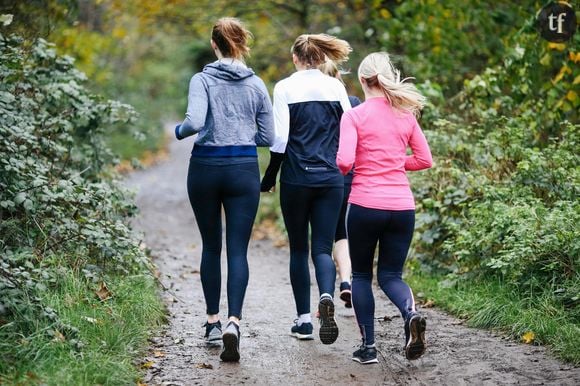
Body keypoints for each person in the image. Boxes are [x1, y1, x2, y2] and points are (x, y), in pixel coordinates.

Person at [175, 17, 274, 362]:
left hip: (205, 167)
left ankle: (212, 323)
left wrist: (178, 131)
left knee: (210, 245)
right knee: (237, 250)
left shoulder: (201, 79)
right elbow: (268, 137)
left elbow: (195, 122)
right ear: (241, 44)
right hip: (243, 170)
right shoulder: (257, 84)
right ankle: (235, 321)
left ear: (214, 45)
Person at [336, 52, 433, 364]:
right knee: (391, 274)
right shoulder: (406, 116)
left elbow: (345, 161)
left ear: (363, 81)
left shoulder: (354, 115)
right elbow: (425, 159)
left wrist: (363, 165)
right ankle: (410, 314)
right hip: (402, 207)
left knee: (362, 274)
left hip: (365, 204)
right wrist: (394, 163)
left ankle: (368, 348)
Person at [260, 33, 352, 345]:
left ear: (296, 59)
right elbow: (348, 128)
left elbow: (281, 139)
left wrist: (270, 176)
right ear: (321, 57)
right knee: (323, 247)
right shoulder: (336, 86)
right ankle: (326, 295)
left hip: (297, 179)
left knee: (299, 248)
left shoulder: (284, 87)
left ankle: (303, 321)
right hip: (330, 179)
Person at [317, 60, 361, 309]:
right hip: (348, 176)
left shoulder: (312, 103)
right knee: (341, 233)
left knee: (325, 237)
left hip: (320, 176)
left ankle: (325, 293)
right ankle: (346, 281)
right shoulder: (353, 103)